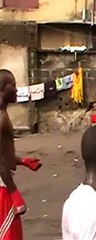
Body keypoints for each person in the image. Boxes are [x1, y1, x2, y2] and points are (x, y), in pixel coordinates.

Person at [0, 69, 42, 240]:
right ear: (3, 88)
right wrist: (14, 193)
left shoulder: (4, 115)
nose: (17, 90)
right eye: (14, 85)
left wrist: (22, 161)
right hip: (3, 186)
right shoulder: (1, 119)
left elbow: (4, 153)